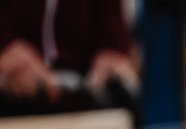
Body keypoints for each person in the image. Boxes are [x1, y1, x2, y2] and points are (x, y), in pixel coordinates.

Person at [0, 0, 138, 117]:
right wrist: (6, 44)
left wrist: (111, 47)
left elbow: (110, 19)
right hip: (11, 103)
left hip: (82, 104)